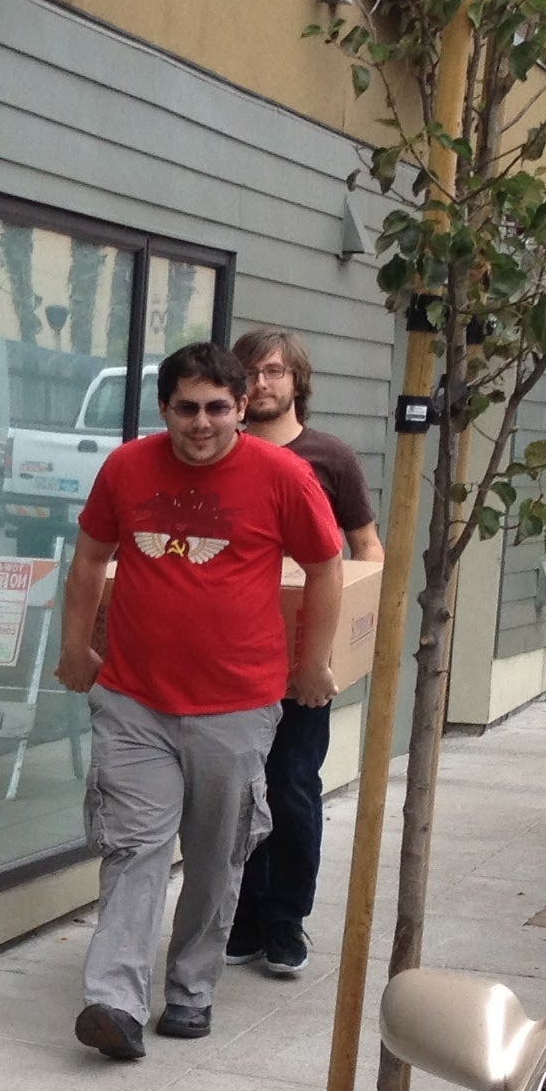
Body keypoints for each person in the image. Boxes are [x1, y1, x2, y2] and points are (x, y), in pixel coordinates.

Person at [53, 341, 343, 1063]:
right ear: (164, 408)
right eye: (187, 408)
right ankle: (114, 1000)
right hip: (134, 699)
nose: (202, 423)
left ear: (243, 407)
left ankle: (189, 989)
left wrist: (312, 665)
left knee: (215, 858)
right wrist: (73, 648)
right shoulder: (127, 468)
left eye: (218, 408)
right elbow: (90, 556)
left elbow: (326, 565)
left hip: (237, 704)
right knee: (134, 847)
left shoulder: (283, 476)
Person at [224, 329, 384, 979]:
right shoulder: (218, 455)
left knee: (290, 787)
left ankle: (286, 920)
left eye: (273, 372)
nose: (261, 384)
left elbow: (366, 549)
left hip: (303, 666)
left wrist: (352, 628)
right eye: (251, 373)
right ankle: (245, 916)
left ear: (296, 382)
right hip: (229, 660)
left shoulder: (329, 457)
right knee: (239, 792)